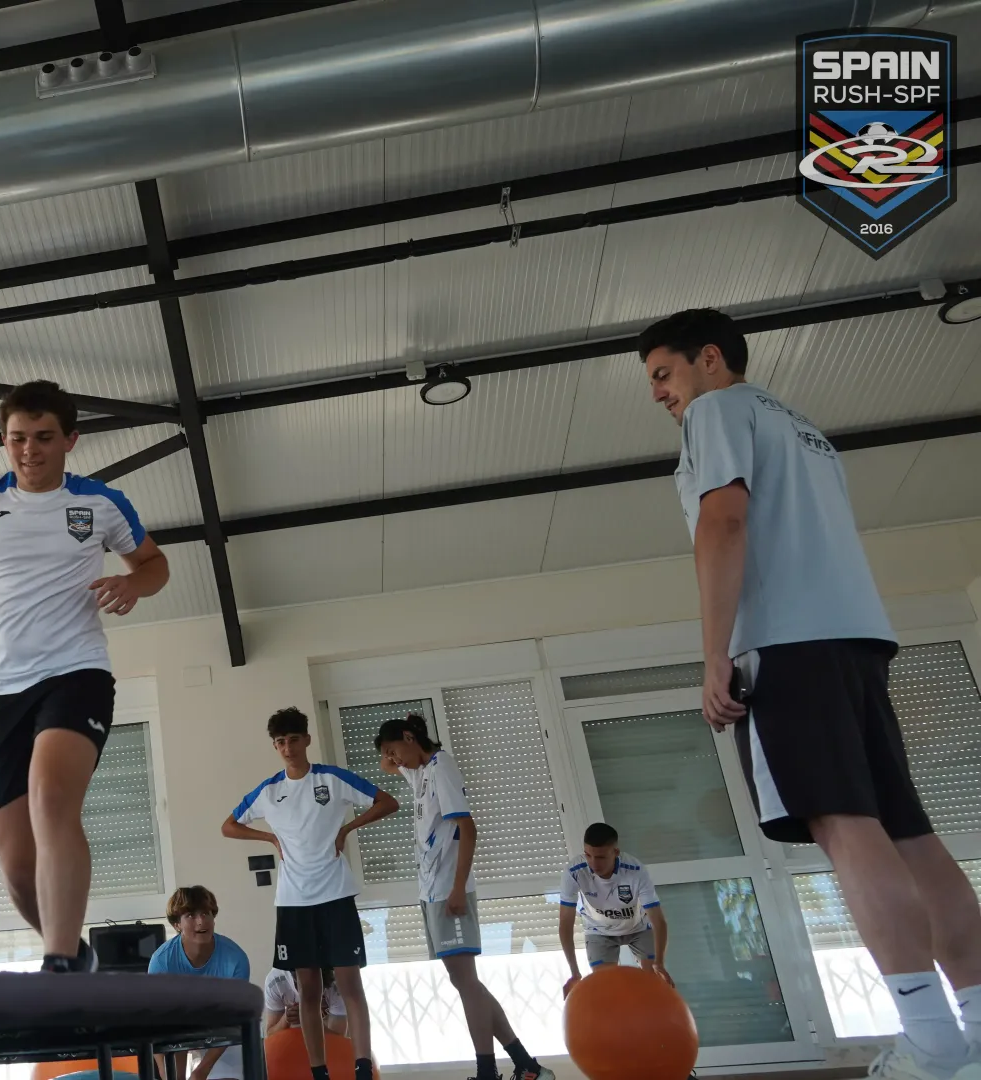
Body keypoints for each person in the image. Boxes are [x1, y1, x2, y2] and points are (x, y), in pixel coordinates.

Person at [640, 308, 981, 1080]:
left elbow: (723, 525)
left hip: (785, 645)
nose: (658, 393)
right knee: (909, 834)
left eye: (663, 374)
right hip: (856, 639)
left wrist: (715, 655)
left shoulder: (716, 412)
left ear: (709, 358)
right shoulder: (804, 431)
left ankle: (932, 1042)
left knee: (846, 826)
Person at [0, 380, 169, 972]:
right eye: (17, 438)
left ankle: (59, 963)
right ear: (4, 439)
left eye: (44, 438)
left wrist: (132, 583)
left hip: (75, 673)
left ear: (71, 439)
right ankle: (79, 954)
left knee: (51, 799)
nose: (29, 451)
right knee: (18, 869)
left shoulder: (99, 503)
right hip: (0, 692)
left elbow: (154, 563)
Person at [223, 707, 397, 1080]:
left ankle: (362, 1065)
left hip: (335, 895)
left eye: (293, 740)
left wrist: (347, 829)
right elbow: (229, 825)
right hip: (293, 902)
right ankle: (319, 1071)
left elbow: (387, 801)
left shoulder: (332, 779)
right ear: (275, 746)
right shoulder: (269, 791)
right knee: (308, 988)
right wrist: (269, 837)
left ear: (306, 740)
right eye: (280, 742)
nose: (287, 748)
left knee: (349, 984)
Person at [375, 715, 548, 1080]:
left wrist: (457, 887)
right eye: (390, 752)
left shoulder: (442, 768)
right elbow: (386, 765)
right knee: (465, 983)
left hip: (449, 889)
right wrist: (399, 747)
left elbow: (468, 829)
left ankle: (488, 1070)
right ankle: (526, 1065)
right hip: (431, 891)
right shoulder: (420, 771)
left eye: (395, 749)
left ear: (409, 738)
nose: (394, 759)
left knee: (467, 982)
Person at [147, 886, 251, 1080]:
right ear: (177, 924)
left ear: (213, 918)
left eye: (206, 913)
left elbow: (235, 1020)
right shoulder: (161, 962)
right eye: (190, 915)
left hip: (222, 1031)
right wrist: (166, 1072)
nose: (201, 921)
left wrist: (201, 1071)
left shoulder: (236, 959)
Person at [557, 823, 669, 994]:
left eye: (601, 857)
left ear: (616, 852)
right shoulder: (574, 871)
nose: (594, 863)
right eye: (588, 855)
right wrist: (574, 972)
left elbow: (658, 920)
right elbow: (565, 922)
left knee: (652, 982)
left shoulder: (636, 870)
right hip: (599, 931)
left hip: (638, 927)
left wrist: (659, 963)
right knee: (607, 986)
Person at [262, 968, 348, 1039]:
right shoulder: (275, 981)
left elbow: (338, 1039)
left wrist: (311, 1020)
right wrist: (285, 1019)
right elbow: (270, 1034)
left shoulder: (338, 983)